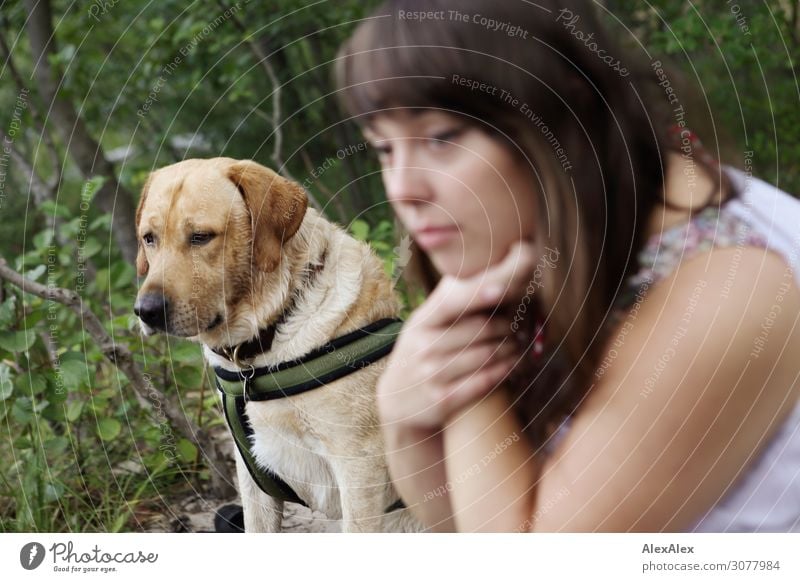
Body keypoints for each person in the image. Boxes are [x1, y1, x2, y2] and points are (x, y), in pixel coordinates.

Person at [335, 0, 800, 532]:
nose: (402, 190)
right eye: (383, 149)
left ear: (561, 109)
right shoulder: (552, 241)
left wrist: (469, 367)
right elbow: (460, 527)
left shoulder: (726, 291)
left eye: (442, 138)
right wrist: (402, 414)